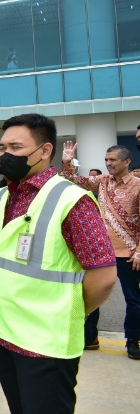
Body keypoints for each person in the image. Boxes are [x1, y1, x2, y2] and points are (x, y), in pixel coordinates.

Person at [0, 114, 117, 412]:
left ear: (44, 151)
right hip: (6, 336)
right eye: (2, 148)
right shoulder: (1, 197)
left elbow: (103, 277)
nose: (5, 155)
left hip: (46, 346)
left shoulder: (72, 200)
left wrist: (68, 312)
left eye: (15, 147)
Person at [59, 141, 140, 359]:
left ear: (127, 161)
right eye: (106, 160)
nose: (108, 164)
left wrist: (139, 251)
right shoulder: (102, 181)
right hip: (100, 252)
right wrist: (67, 163)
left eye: (113, 160)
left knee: (134, 301)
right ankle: (89, 337)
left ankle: (134, 339)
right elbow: (73, 181)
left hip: (128, 254)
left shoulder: (138, 186)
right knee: (90, 295)